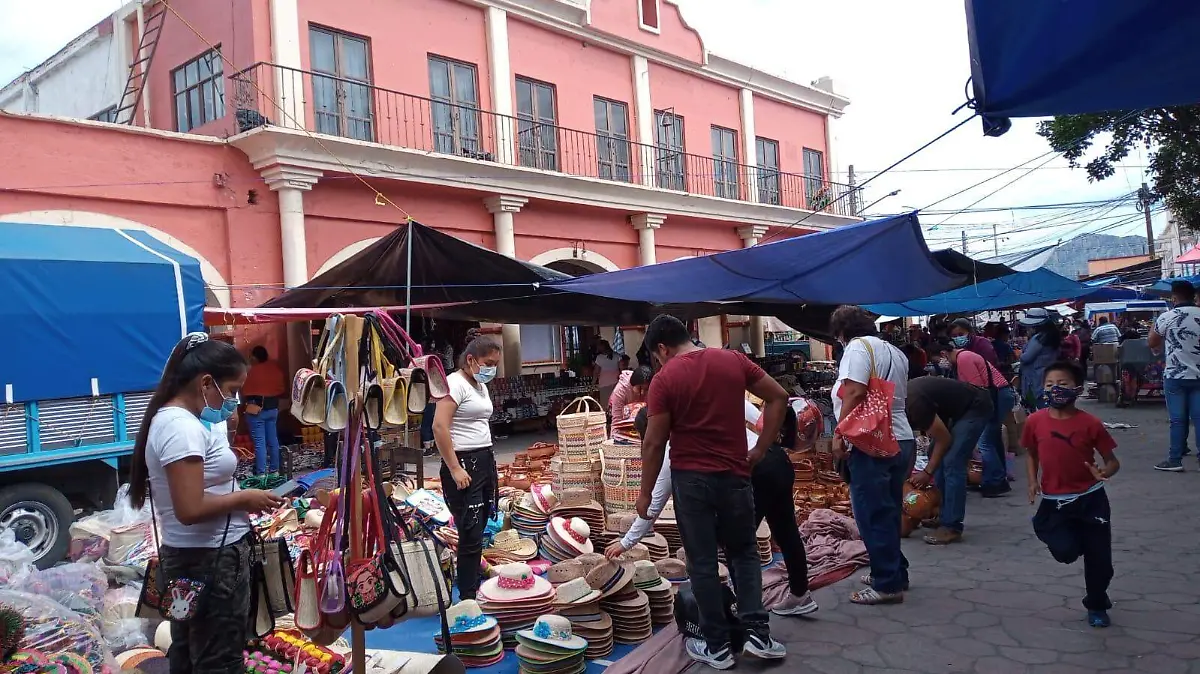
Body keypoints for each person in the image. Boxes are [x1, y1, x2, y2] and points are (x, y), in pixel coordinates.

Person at [639, 314, 789, 668]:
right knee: (744, 553)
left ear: (662, 348)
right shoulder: (732, 359)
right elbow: (779, 397)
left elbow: (654, 443)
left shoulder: (665, 379)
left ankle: (717, 645)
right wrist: (760, 448)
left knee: (703, 562)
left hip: (691, 481)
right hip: (735, 475)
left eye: (656, 357)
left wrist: (645, 494)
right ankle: (757, 634)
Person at [129, 333, 284, 672]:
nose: (235, 400)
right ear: (205, 383)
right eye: (231, 390)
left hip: (201, 557)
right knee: (219, 660)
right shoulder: (179, 427)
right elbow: (189, 509)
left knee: (190, 652)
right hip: (208, 561)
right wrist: (244, 498)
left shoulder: (186, 420)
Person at [606, 402, 817, 617]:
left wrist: (626, 543)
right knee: (786, 533)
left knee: (737, 545)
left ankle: (748, 613)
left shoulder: (672, 449)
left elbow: (653, 505)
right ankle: (800, 594)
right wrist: (760, 424)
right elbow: (741, 402)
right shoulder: (698, 412)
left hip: (757, 471)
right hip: (777, 459)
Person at [828, 306, 915, 604]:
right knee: (887, 510)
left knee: (871, 513)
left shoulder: (856, 348)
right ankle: (894, 571)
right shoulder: (895, 352)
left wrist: (839, 434)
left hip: (873, 440)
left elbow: (854, 391)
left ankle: (887, 584)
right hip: (901, 436)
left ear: (842, 332)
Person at [1024, 360, 1119, 628]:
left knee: (1100, 561)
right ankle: (1047, 525)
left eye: (1062, 384)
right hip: (1055, 502)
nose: (1055, 389)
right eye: (1049, 384)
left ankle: (1097, 604)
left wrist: (1104, 472)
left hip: (1091, 498)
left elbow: (1113, 462)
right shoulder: (1034, 421)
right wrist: (1032, 481)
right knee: (1065, 551)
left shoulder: (1091, 424)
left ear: (1077, 389)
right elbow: (1031, 453)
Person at [433, 335, 502, 600]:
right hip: (464, 463)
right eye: (488, 363)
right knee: (470, 530)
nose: (492, 369)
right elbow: (439, 426)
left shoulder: (479, 385)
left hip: (484, 461)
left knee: (478, 529)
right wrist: (454, 468)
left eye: (495, 364)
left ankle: (471, 582)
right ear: (471, 359)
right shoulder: (455, 384)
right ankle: (468, 595)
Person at [906, 376, 993, 545]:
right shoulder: (897, 406)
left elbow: (944, 439)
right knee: (935, 453)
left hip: (975, 406)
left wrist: (927, 472)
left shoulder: (913, 403)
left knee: (953, 461)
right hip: (957, 410)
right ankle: (943, 514)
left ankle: (952, 526)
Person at [937, 342, 1017, 497]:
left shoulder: (963, 359)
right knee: (993, 438)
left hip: (996, 395)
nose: (941, 363)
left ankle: (995, 481)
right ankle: (997, 479)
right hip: (998, 394)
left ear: (943, 354)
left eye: (938, 360)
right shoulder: (964, 356)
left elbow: (976, 389)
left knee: (984, 441)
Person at [1150, 280, 1200, 471]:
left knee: (1177, 420)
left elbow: (1152, 341)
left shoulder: (1167, 316)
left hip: (1175, 376)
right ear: (1193, 296)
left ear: (1174, 297)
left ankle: (1175, 460)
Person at [242, 345, 286, 477]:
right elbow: (281, 389)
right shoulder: (275, 369)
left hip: (256, 411)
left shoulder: (251, 371)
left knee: (260, 443)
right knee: (273, 441)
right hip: (273, 409)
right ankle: (274, 471)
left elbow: (243, 390)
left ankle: (261, 474)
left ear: (255, 357)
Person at [1018, 308, 1063, 411]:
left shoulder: (1038, 338)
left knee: (1040, 407)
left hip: (1036, 378)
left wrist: (1020, 353)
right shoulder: (1051, 336)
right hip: (1048, 375)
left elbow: (1026, 358)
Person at [592, 340, 622, 413]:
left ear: (603, 347)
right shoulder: (617, 356)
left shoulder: (599, 358)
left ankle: (607, 418)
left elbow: (596, 372)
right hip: (616, 383)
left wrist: (593, 383)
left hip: (604, 384)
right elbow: (622, 369)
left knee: (606, 404)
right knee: (616, 403)